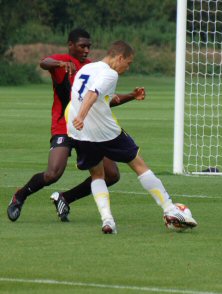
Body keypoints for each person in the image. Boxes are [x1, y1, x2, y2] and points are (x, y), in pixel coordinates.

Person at [7, 28, 142, 222]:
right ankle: (19, 196)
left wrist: (132, 95)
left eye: (89, 46)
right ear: (70, 45)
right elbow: (43, 62)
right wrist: (61, 63)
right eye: (82, 46)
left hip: (88, 127)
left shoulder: (93, 67)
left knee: (111, 175)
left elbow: (103, 100)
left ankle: (65, 198)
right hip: (64, 125)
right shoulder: (61, 60)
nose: (86, 50)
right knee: (53, 173)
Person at [67, 40, 197, 233]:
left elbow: (101, 97)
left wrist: (130, 96)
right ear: (119, 57)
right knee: (139, 165)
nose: (126, 68)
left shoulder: (86, 69)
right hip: (103, 131)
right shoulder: (110, 74)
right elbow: (93, 94)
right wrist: (82, 116)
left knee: (97, 174)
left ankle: (107, 220)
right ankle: (170, 209)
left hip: (80, 133)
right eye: (128, 63)